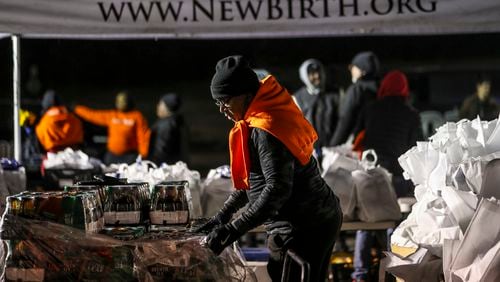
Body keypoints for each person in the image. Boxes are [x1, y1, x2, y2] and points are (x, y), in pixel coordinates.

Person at [195, 55, 342, 282]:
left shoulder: (266, 127)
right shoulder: (259, 114)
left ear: (245, 95)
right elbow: (254, 182)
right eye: (218, 103)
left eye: (226, 101)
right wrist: (221, 217)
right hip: (318, 218)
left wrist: (233, 230)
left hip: (304, 226)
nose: (222, 109)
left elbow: (276, 189)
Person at [351, 70, 423, 282]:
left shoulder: (371, 109)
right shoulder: (411, 114)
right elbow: (416, 149)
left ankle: (360, 274)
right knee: (393, 221)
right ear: (404, 90)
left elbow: (356, 138)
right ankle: (392, 271)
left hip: (370, 175)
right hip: (396, 179)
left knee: (366, 221)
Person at [74, 91, 150, 165]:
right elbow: (92, 115)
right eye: (119, 101)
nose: (121, 103)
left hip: (129, 155)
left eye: (123, 100)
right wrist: (77, 109)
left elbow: (143, 137)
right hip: (112, 155)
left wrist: (143, 155)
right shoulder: (113, 115)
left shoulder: (137, 116)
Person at [330, 51, 380, 146]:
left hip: (358, 143)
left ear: (363, 70)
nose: (351, 70)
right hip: (378, 143)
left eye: (353, 67)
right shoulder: (382, 89)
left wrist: (334, 144)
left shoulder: (357, 89)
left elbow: (345, 120)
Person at [293, 59, 339, 161]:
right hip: (309, 153)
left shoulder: (335, 94)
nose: (317, 76)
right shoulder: (297, 98)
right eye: (312, 74)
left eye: (319, 72)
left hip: (333, 150)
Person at [148, 93, 189, 165]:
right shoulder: (178, 121)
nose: (157, 106)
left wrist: (153, 165)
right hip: (177, 164)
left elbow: (160, 151)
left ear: (166, 107)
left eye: (160, 104)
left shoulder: (165, 125)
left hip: (164, 167)